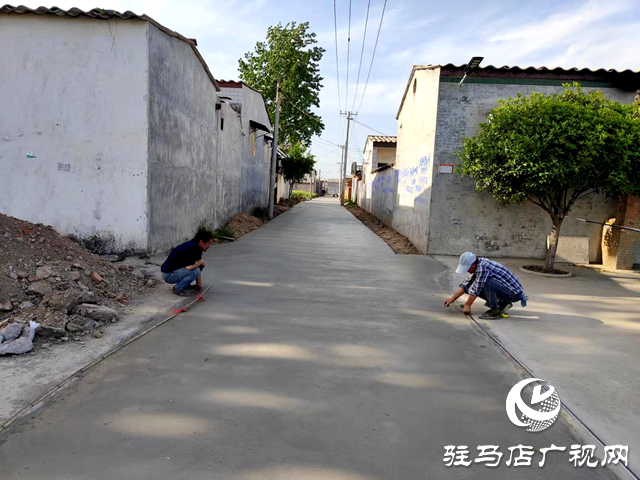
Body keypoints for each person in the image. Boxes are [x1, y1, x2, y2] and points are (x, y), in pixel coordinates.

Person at [444, 252, 528, 320]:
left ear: (472, 265)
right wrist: (452, 299)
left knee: (487, 283)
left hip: (513, 294)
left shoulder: (482, 268)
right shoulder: (477, 265)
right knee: (474, 284)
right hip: (505, 290)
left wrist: (467, 304)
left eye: (467, 268)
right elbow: (466, 284)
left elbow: (476, 290)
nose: (467, 271)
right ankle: (502, 303)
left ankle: (495, 311)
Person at [161, 228, 214, 296]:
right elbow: (190, 267)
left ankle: (185, 285)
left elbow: (197, 265)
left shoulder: (197, 247)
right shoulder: (192, 248)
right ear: (201, 242)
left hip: (175, 272)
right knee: (195, 271)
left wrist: (199, 283)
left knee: (197, 268)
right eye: (209, 243)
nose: (209, 246)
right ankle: (178, 288)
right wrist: (200, 262)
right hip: (168, 275)